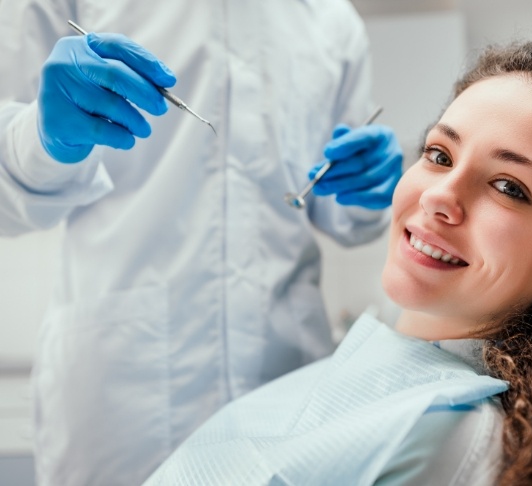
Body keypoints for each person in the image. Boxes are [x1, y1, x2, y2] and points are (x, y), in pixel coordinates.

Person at [141, 41, 532, 486]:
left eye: (509, 187)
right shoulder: (392, 384)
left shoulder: (440, 436)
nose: (440, 196)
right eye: (440, 155)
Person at [0, 1, 403, 485]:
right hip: (121, 406)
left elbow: (338, 211)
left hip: (287, 382)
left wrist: (367, 189)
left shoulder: (333, 20)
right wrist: (44, 138)